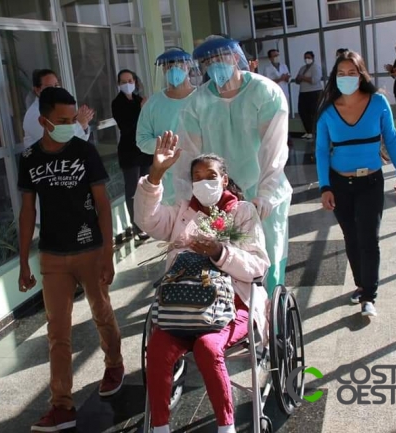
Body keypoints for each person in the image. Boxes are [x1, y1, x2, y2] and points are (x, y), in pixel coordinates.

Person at [135, 132, 270, 433]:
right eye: (197, 177)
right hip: (182, 307)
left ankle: (226, 427)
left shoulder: (243, 212)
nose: (204, 182)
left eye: (211, 176)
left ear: (224, 179)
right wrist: (155, 174)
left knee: (208, 348)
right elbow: (146, 219)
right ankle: (159, 427)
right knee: (157, 348)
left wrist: (220, 252)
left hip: (232, 308)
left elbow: (258, 265)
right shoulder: (182, 213)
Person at [17, 87, 123, 432]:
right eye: (62, 120)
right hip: (52, 255)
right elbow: (27, 211)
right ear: (42, 120)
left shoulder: (84, 151)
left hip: (89, 249)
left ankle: (114, 364)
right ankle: (62, 406)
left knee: (101, 311)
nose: (69, 125)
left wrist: (107, 253)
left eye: (72, 119)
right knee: (57, 332)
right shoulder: (31, 158)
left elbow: (103, 204)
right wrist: (23, 262)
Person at [173, 36, 292, 294]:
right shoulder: (197, 103)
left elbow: (274, 149)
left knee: (266, 258)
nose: (215, 65)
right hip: (219, 197)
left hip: (262, 192)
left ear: (236, 57)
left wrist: (266, 195)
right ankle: (235, 321)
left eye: (221, 58)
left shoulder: (265, 92)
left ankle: (271, 318)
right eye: (208, 61)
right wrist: (188, 202)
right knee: (225, 262)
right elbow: (187, 158)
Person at [315, 50, 396, 317]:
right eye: (341, 74)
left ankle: (369, 295)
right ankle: (361, 284)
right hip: (340, 182)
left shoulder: (378, 103)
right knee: (351, 237)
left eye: (352, 73)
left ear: (361, 74)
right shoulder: (327, 111)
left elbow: (391, 139)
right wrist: (325, 186)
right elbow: (321, 150)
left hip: (371, 181)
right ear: (335, 77)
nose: (346, 78)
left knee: (369, 237)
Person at [136, 48, 196, 205]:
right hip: (167, 182)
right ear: (162, 69)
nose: (173, 68)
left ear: (188, 66)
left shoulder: (203, 98)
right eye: (169, 65)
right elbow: (142, 140)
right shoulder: (153, 104)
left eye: (179, 64)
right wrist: (166, 147)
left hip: (201, 176)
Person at [112, 69, 153, 241]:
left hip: (144, 151)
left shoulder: (138, 100)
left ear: (135, 81)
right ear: (119, 84)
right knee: (133, 190)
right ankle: (137, 226)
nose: (127, 84)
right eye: (123, 81)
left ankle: (149, 221)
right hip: (129, 152)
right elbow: (127, 126)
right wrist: (141, 110)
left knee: (147, 188)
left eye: (130, 80)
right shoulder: (118, 103)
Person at [22, 69, 95, 146]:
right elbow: (57, 140)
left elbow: (79, 139)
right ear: (37, 90)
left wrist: (84, 124)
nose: (55, 90)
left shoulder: (59, 108)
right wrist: (80, 124)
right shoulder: (33, 114)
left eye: (56, 85)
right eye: (49, 87)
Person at [295, 51, 323, 140]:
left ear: (313, 58)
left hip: (314, 92)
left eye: (309, 57)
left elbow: (315, 80)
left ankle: (314, 131)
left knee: (313, 112)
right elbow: (297, 80)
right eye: (305, 57)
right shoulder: (303, 68)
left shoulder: (316, 67)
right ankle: (308, 131)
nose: (307, 59)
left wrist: (303, 78)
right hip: (303, 92)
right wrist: (299, 78)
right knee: (303, 111)